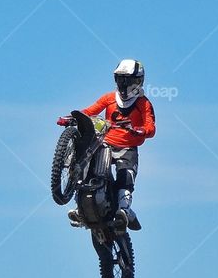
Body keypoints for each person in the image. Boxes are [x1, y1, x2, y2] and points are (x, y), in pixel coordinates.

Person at [66, 59, 155, 231]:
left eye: (127, 80)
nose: (123, 84)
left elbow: (151, 127)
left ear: (138, 81)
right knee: (88, 165)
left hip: (127, 148)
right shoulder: (109, 98)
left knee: (125, 175)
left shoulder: (143, 104)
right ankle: (80, 206)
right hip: (105, 144)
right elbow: (90, 111)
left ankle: (124, 210)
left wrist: (140, 130)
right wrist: (73, 117)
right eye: (120, 79)